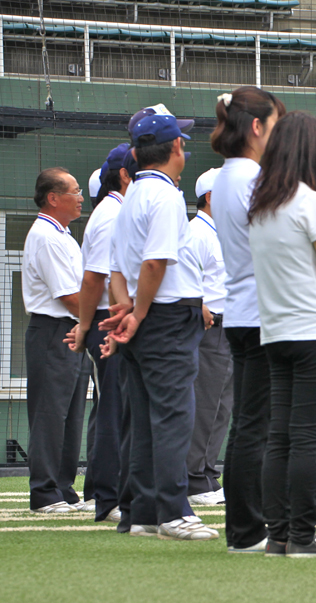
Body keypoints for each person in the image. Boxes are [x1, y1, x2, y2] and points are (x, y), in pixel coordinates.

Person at [105, 108, 218, 540]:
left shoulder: (131, 195)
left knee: (146, 421)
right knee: (173, 417)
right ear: (176, 148)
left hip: (147, 316)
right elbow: (155, 263)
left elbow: (118, 271)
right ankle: (173, 511)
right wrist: (136, 313)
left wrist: (127, 311)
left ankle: (144, 513)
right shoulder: (166, 196)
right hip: (166, 317)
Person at [249, 111, 316, 557]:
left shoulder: (260, 207)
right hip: (314, 331)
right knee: (307, 437)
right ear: (313, 152)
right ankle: (304, 536)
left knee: (280, 437)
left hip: (275, 333)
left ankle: (279, 535)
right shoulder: (312, 202)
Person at [210, 86, 285, 551]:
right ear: (256, 127)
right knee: (256, 426)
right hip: (260, 313)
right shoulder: (252, 178)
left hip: (243, 310)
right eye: (275, 124)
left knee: (248, 424)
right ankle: (247, 529)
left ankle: (247, 526)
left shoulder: (228, 175)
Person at [67, 144, 133, 523]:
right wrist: (87, 325)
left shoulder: (117, 211)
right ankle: (107, 498)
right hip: (110, 320)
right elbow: (95, 279)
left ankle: (112, 492)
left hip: (115, 319)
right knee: (113, 410)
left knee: (120, 409)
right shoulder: (111, 215)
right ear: (124, 175)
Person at [23, 168, 91, 513]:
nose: (81, 197)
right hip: (54, 330)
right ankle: (44, 492)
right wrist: (94, 321)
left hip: (72, 329)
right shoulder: (46, 236)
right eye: (74, 191)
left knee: (71, 413)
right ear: (53, 198)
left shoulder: (62, 235)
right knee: (50, 412)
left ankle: (63, 487)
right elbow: (68, 296)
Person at [186, 168, 233, 507]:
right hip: (208, 328)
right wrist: (199, 305)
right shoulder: (196, 232)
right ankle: (193, 479)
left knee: (222, 407)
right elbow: (184, 276)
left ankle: (206, 474)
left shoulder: (223, 233)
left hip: (231, 328)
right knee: (205, 405)